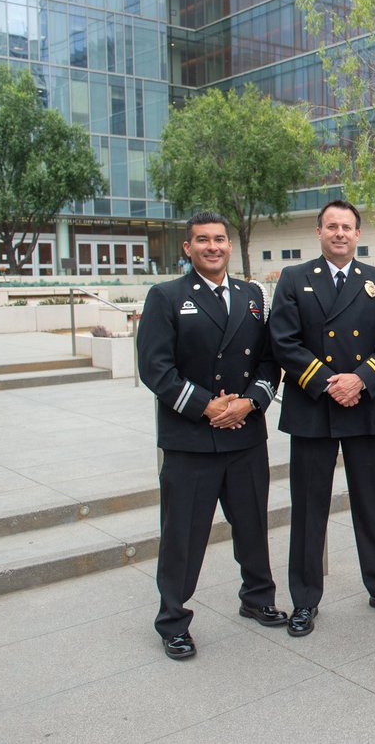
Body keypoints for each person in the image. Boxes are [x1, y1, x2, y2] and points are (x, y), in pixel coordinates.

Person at [136, 211, 286, 660]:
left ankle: (257, 599)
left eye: (219, 239)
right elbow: (155, 368)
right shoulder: (165, 297)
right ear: (188, 248)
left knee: (253, 526)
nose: (213, 247)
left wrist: (249, 402)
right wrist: (208, 406)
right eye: (202, 240)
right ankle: (172, 621)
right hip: (191, 441)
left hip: (244, 436)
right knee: (183, 534)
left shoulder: (253, 295)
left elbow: (268, 360)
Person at [268, 199, 375, 636]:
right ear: (319, 232)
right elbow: (283, 341)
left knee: (372, 506)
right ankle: (305, 600)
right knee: (309, 511)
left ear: (358, 235)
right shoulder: (293, 278)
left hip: (363, 408)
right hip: (313, 410)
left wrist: (361, 380)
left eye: (347, 227)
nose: (340, 234)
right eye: (332, 227)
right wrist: (329, 382)